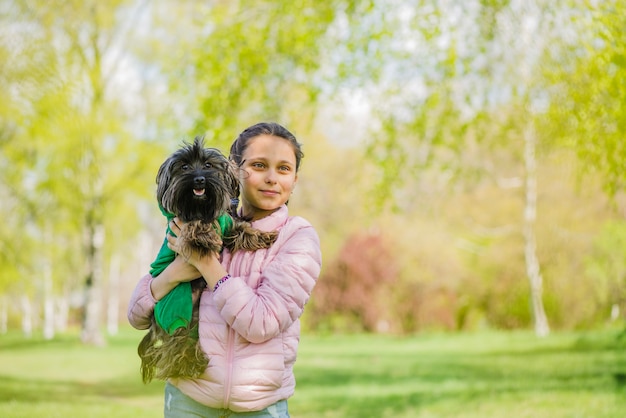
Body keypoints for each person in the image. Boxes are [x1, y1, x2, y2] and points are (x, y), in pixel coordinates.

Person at [127, 122, 322, 417]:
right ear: (234, 170)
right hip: (188, 400)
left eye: (283, 169)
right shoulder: (201, 218)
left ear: (295, 179)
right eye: (259, 165)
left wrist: (205, 263)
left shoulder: (297, 238)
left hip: (260, 407)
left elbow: (261, 322)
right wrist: (174, 274)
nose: (271, 178)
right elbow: (136, 315)